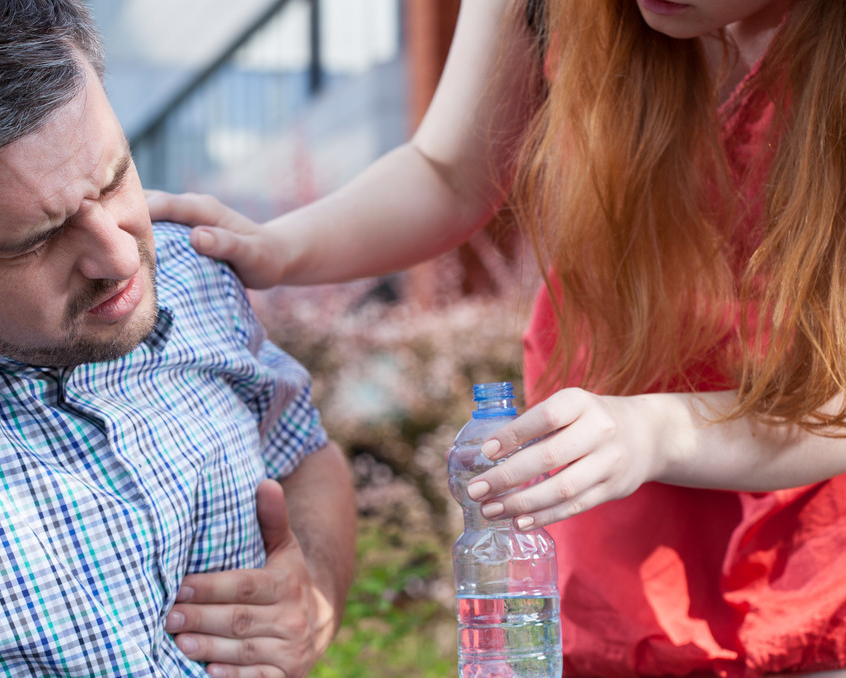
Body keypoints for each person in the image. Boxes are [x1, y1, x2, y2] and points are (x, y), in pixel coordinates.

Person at [146, 0, 846, 675]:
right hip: (604, 535)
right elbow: (450, 173)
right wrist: (279, 248)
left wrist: (659, 431)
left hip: (805, 549)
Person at [0, 2, 355, 677]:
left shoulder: (193, 274)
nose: (122, 258)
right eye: (37, 240)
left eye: (114, 179)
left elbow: (305, 456)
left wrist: (307, 604)